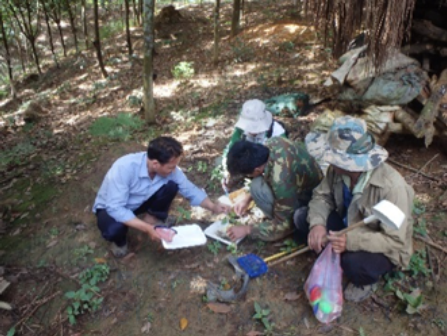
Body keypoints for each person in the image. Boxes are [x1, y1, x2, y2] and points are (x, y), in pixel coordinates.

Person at [294, 116, 414, 302]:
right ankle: (333, 253)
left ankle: (366, 280)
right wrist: (317, 224)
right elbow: (321, 196)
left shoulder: (392, 187)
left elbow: (394, 241)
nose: (329, 161)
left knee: (355, 264)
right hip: (347, 224)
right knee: (303, 218)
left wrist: (350, 241)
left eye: (332, 156)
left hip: (378, 244)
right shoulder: (337, 171)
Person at [93, 136, 230, 257]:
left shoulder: (170, 169)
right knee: (113, 230)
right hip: (111, 207)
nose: (174, 170)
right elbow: (115, 208)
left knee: (171, 185)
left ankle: (152, 219)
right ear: (155, 164)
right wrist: (147, 229)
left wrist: (212, 206)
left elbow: (189, 188)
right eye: (171, 167)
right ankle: (120, 242)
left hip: (141, 201)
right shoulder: (124, 168)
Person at [225, 137, 323, 242]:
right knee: (256, 186)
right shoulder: (272, 142)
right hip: (301, 184)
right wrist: (248, 198)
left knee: (257, 188)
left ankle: (294, 230)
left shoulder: (281, 180)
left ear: (257, 170)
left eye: (248, 174)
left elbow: (283, 225)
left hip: (314, 199)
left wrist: (248, 229)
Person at [221, 99, 288, 190]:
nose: (252, 131)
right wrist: (227, 170)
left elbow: (282, 160)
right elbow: (231, 149)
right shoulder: (240, 130)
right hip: (249, 164)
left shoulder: (277, 132)